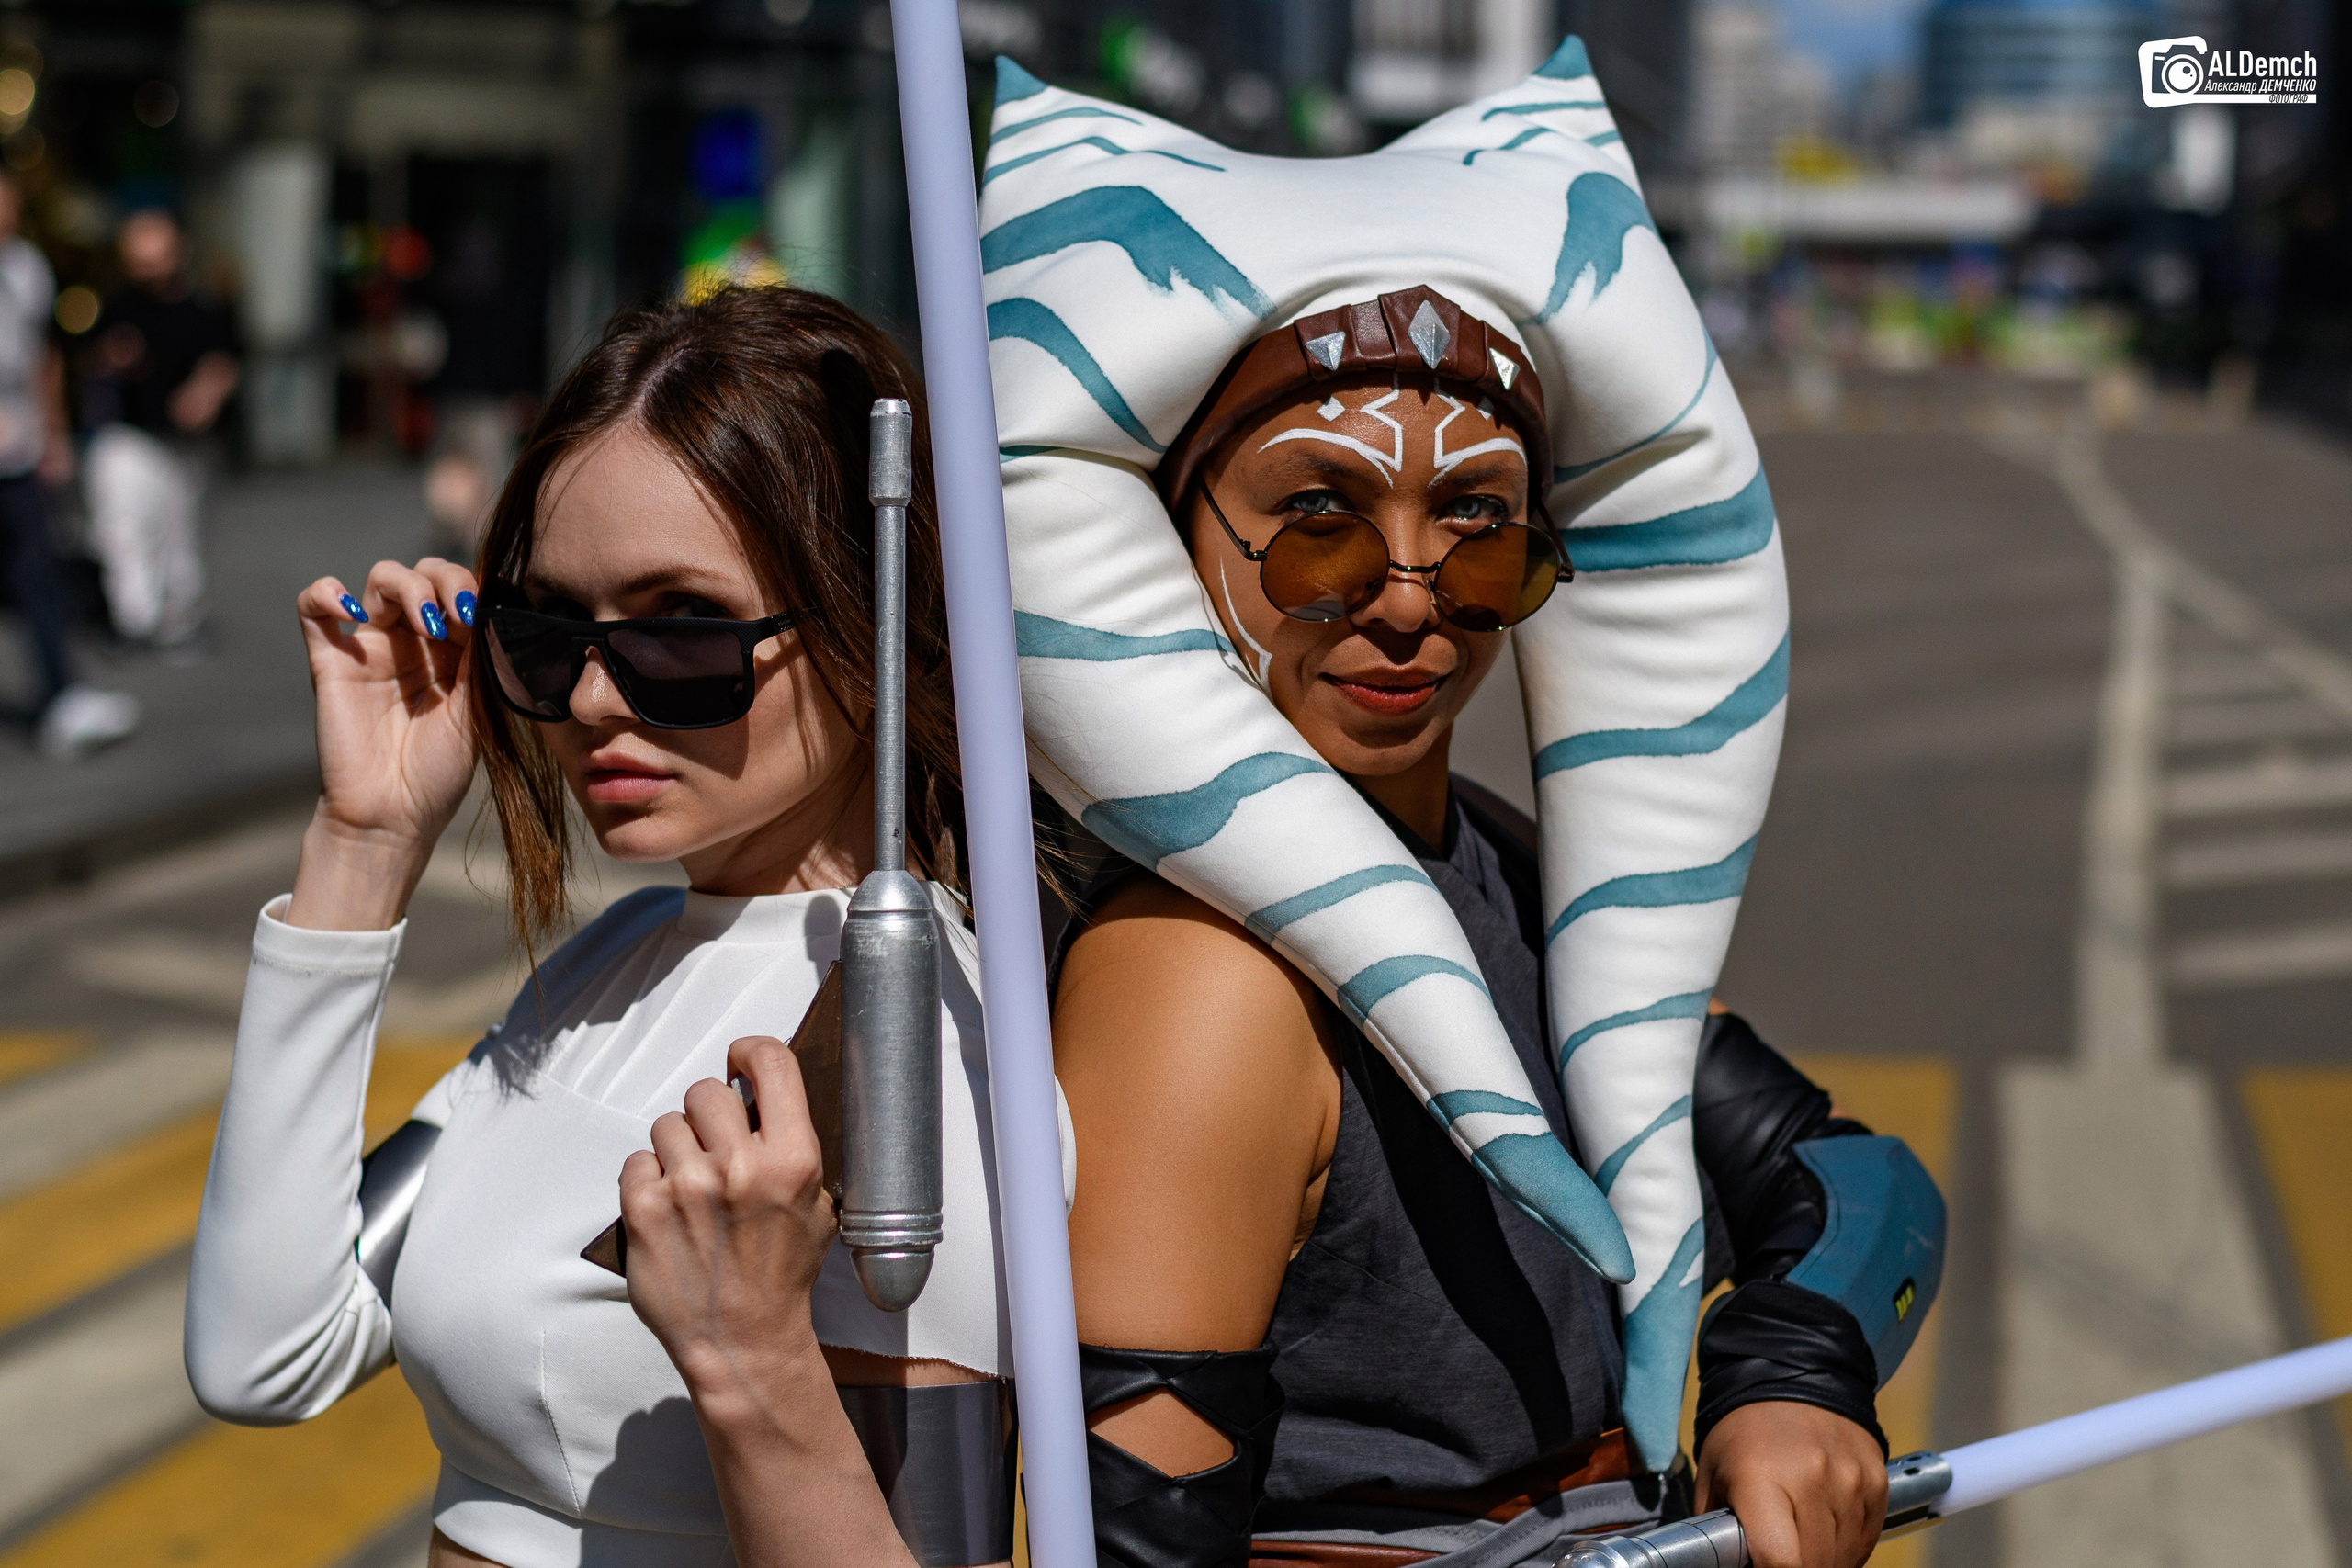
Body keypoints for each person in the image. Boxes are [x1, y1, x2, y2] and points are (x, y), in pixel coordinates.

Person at [978, 46, 1938, 1568]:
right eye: (1318, 527)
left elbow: (1845, 1174)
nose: (1412, 606)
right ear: (1173, 541)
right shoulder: (1200, 980)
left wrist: (1790, 1371)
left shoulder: (1488, 855)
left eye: (1481, 531)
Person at [187, 288, 1052, 1568]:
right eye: (546, 632)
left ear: (874, 624)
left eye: (682, 631)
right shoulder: (612, 957)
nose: (591, 695)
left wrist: (751, 1359)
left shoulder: (905, 1041)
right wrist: (363, 847)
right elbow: (268, 1352)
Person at [0, 167, 139, 756]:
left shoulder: (26, 267)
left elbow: (42, 357)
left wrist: (52, 434)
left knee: (39, 577)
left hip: (18, 455)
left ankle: (62, 697)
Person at [81, 208, 238, 651]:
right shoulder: (115, 304)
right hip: (127, 436)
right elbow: (88, 356)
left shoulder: (203, 307)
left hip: (184, 444)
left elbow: (222, 360)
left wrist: (205, 395)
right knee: (122, 529)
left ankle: (178, 620)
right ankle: (134, 620)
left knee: (179, 536)